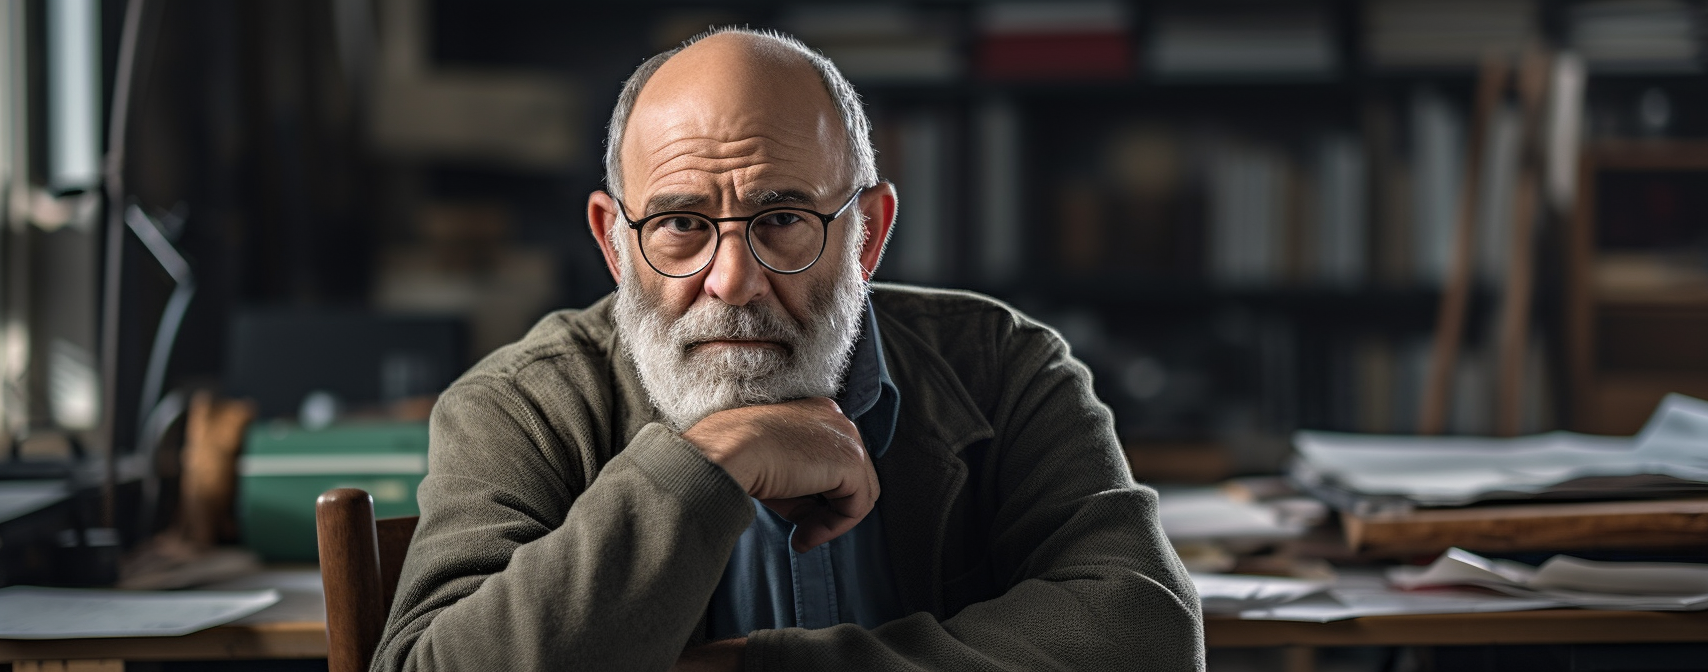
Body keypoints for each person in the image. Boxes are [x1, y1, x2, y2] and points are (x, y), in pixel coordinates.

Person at [372, 27, 1203, 672]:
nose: (732, 280)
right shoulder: (519, 404)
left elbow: (1145, 635)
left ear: (867, 235)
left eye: (780, 220)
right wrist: (709, 465)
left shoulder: (1005, 368)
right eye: (680, 226)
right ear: (614, 242)